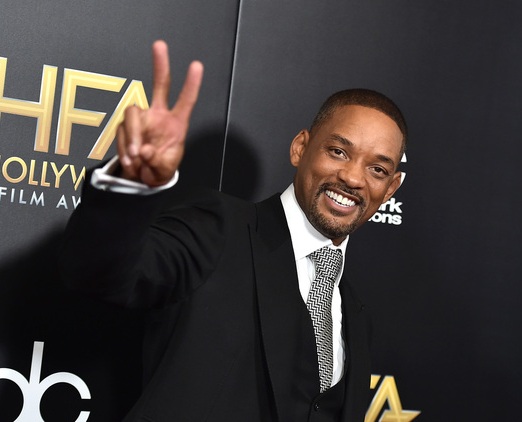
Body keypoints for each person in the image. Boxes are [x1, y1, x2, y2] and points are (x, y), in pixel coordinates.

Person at [59, 40, 406, 422]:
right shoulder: (219, 229)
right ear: (300, 148)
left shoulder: (355, 316)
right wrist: (131, 184)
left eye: (377, 169)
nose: (353, 177)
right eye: (338, 152)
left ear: (390, 189)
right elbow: (99, 274)